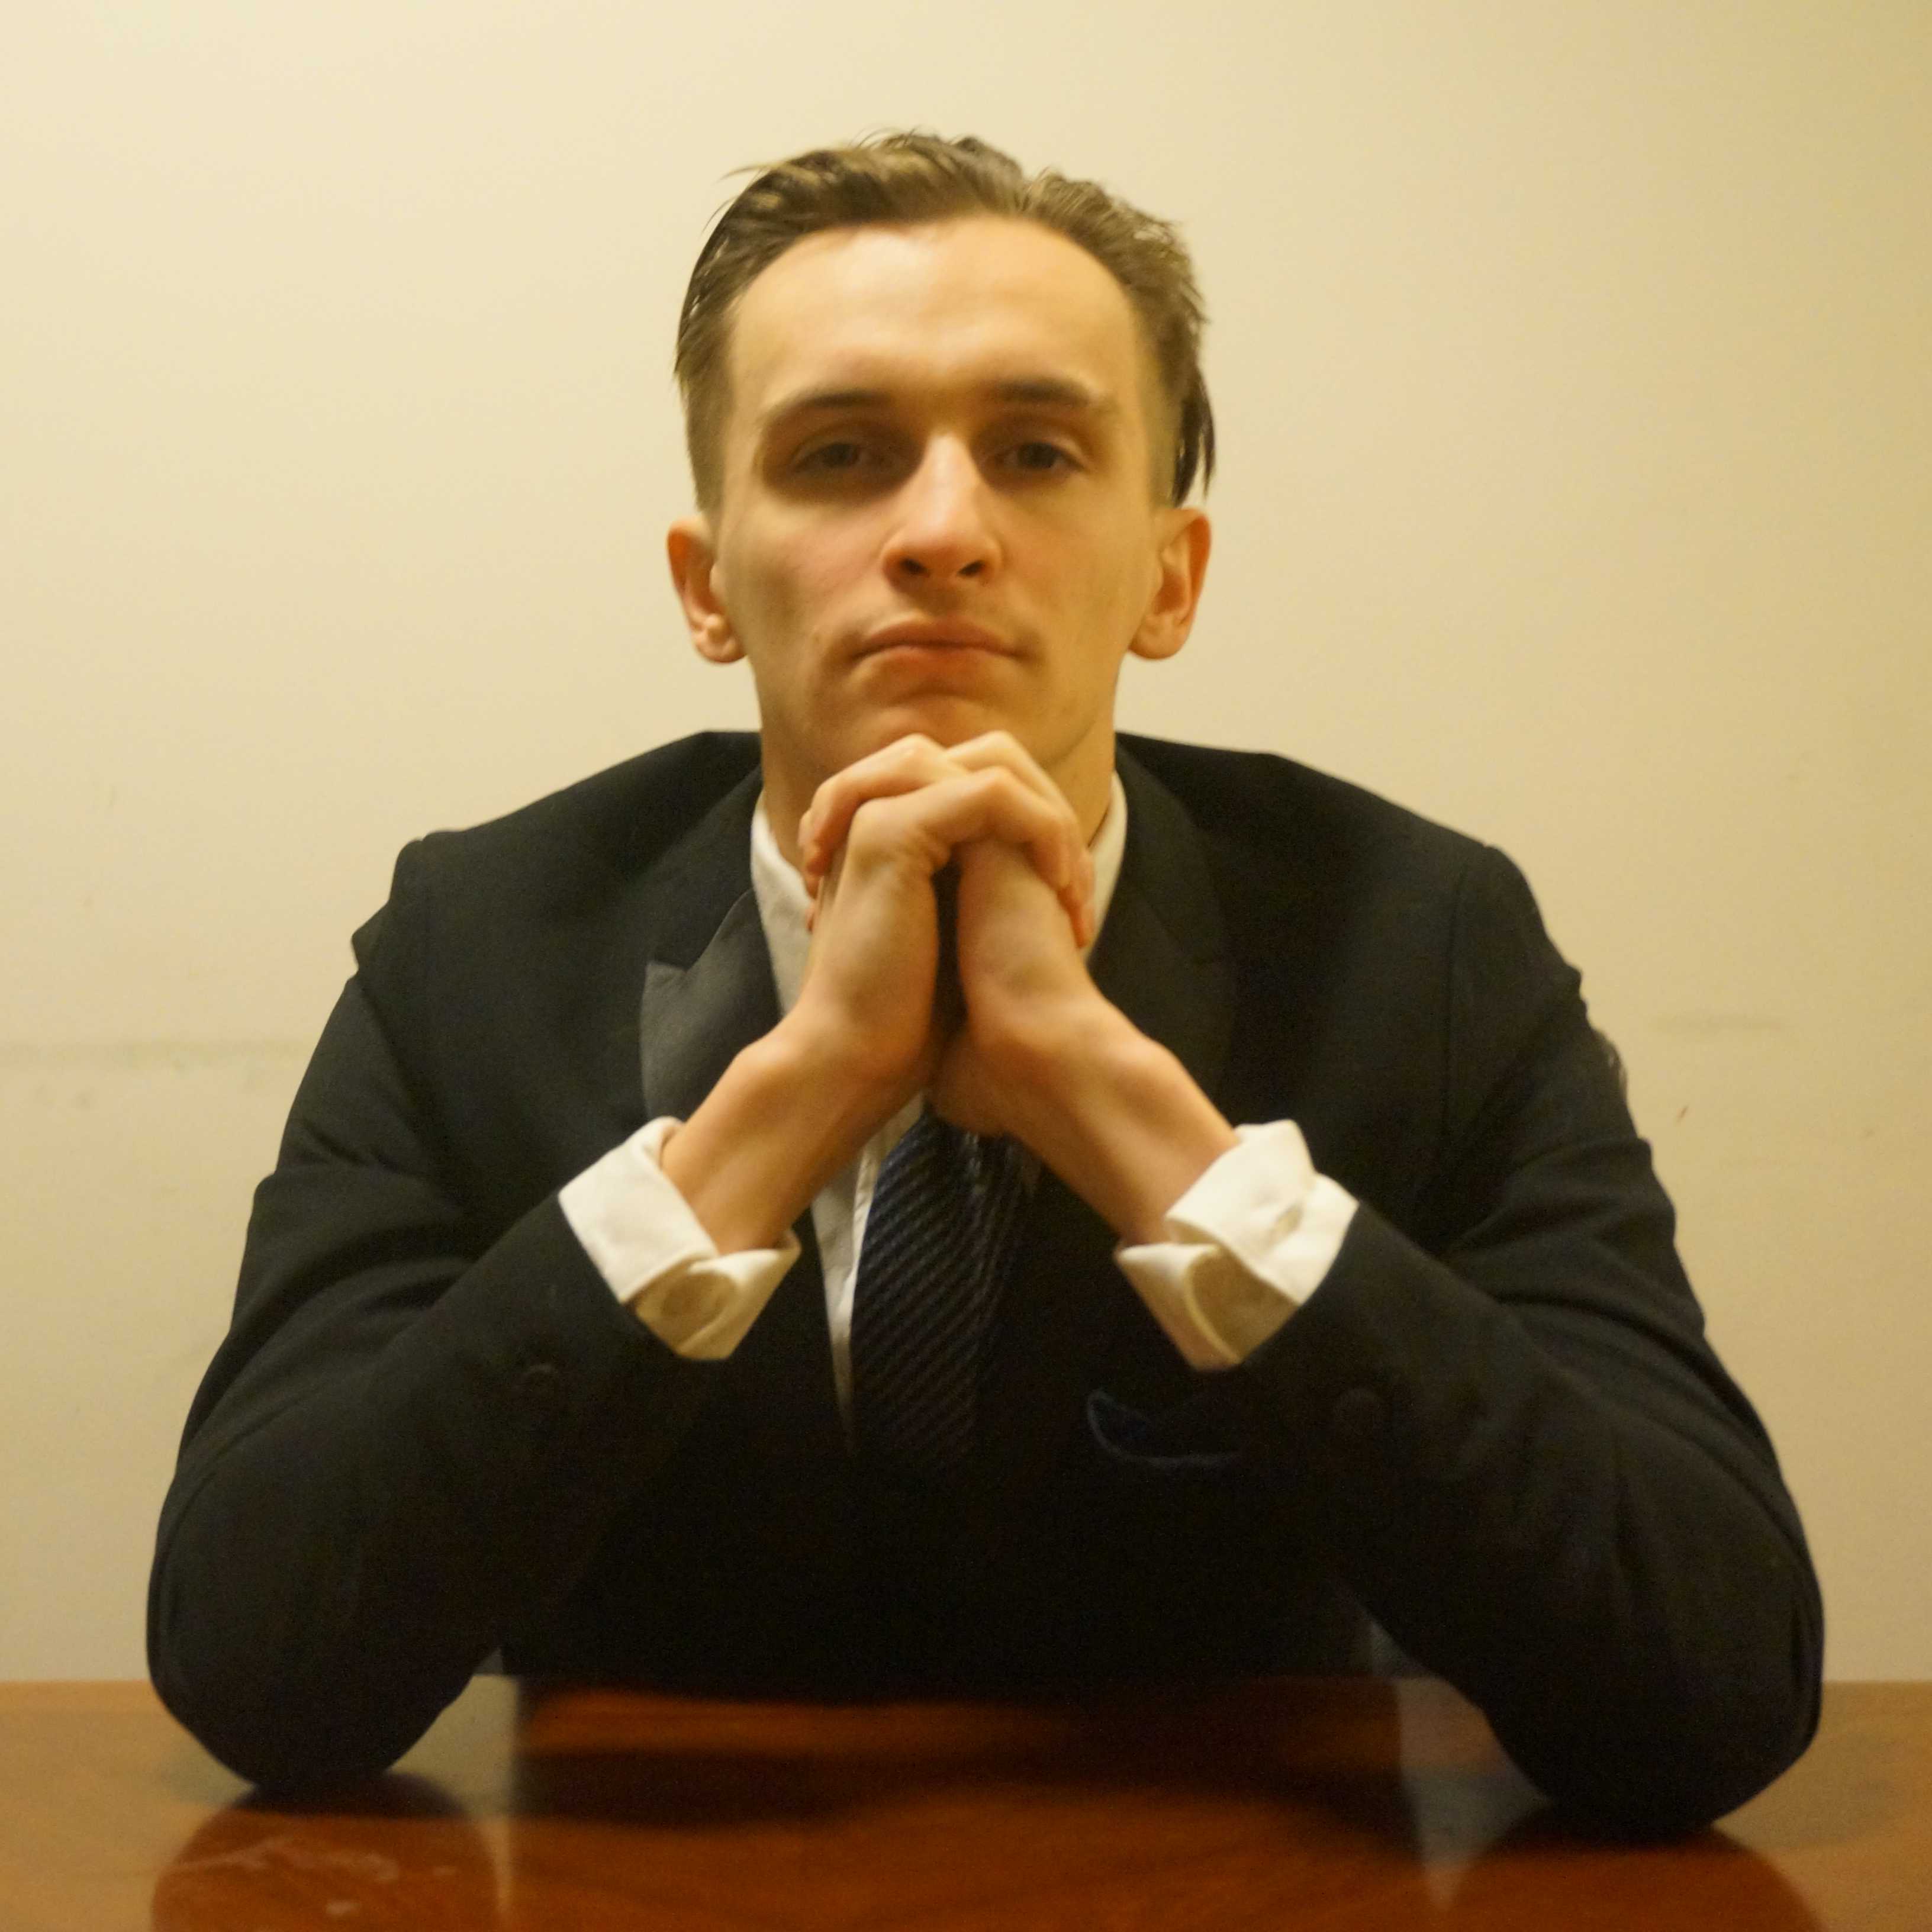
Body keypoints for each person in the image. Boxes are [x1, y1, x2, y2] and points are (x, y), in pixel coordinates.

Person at [148, 133, 1821, 1834]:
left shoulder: (1420, 945)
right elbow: (259, 1662)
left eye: (1034, 452)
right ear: (707, 587)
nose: (943, 532)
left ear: (1170, 576)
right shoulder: (479, 947)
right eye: (840, 455)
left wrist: (1118, 1108)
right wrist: (792, 1098)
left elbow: (1709, 1691)